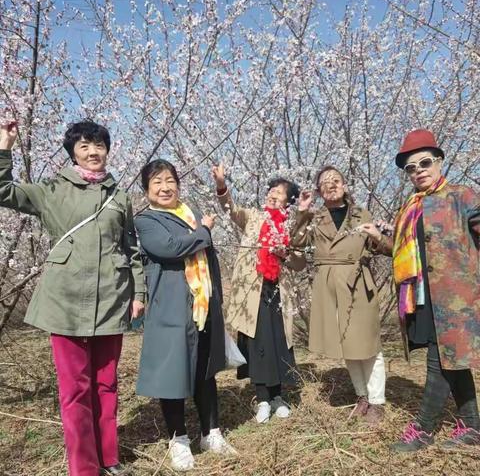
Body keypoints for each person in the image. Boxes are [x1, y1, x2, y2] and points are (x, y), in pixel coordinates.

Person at [0, 120, 145, 476]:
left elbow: (133, 249)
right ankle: (84, 466)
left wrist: (139, 292)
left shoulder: (120, 197)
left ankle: (108, 458)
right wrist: (6, 145)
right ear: (73, 152)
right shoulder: (51, 190)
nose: (93, 152)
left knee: (107, 383)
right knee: (75, 388)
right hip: (64, 301)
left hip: (112, 299)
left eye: (99, 146)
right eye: (85, 146)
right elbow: (3, 190)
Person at [379, 129, 480, 452]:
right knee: (452, 360)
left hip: (455, 297)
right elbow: (407, 253)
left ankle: (423, 429)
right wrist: (378, 238)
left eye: (424, 162)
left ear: (439, 162)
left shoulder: (462, 196)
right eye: (411, 167)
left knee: (439, 361)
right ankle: (473, 427)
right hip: (422, 293)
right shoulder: (410, 207)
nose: (419, 170)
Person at [134, 159, 235, 472]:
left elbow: (202, 255)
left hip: (201, 304)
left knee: (206, 371)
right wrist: (203, 231)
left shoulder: (188, 213)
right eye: (157, 183)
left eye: (170, 180)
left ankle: (211, 433)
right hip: (171, 307)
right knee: (172, 374)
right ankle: (178, 441)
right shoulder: (146, 220)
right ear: (147, 190)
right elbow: (170, 247)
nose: (165, 188)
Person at [292, 165, 390, 425]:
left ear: (345, 186)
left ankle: (377, 401)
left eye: (336, 180)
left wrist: (379, 236)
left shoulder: (361, 213)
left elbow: (383, 247)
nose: (331, 184)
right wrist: (301, 213)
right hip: (329, 287)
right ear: (319, 191)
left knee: (368, 344)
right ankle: (362, 397)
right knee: (348, 343)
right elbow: (296, 243)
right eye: (325, 182)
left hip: (358, 283)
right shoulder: (314, 217)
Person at [212, 162, 306, 424]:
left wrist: (285, 254)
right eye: (271, 189)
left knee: (278, 343)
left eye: (280, 192)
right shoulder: (254, 217)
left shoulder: (292, 227)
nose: (273, 194)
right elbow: (231, 210)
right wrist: (222, 185)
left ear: (289, 201)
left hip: (279, 291)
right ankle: (263, 398)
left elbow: (300, 263)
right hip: (253, 292)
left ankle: (279, 397)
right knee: (258, 343)